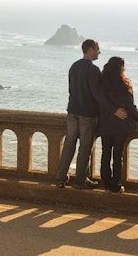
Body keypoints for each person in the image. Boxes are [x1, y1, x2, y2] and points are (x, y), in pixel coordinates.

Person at [56, 39, 127, 190]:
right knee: (85, 147)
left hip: (72, 111)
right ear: (89, 49)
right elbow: (98, 95)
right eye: (97, 49)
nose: (99, 52)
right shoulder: (93, 70)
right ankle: (81, 180)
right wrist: (114, 110)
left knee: (69, 145)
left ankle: (61, 178)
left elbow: (71, 90)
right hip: (87, 113)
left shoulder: (74, 67)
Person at [98, 56, 138, 194]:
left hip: (105, 124)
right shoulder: (124, 84)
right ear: (120, 68)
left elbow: (99, 103)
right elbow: (130, 106)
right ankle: (116, 185)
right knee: (118, 156)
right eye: (123, 66)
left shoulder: (101, 83)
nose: (125, 68)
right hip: (121, 125)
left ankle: (106, 182)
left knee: (106, 154)